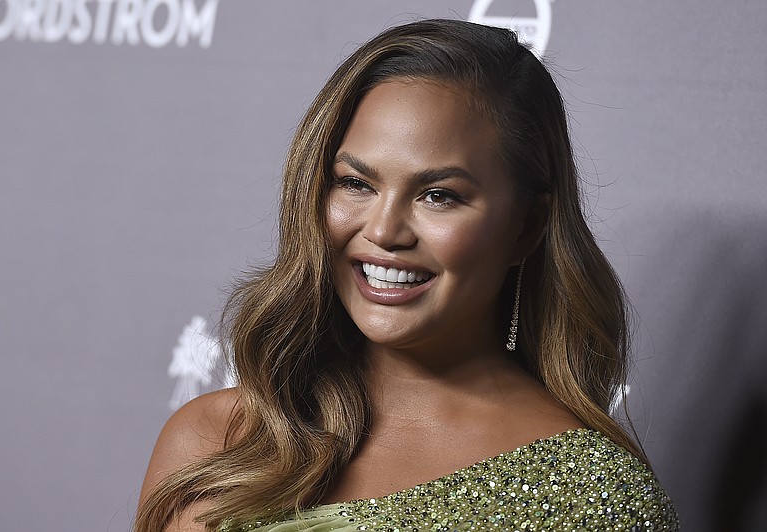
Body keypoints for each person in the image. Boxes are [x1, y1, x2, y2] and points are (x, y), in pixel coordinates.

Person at [134, 19, 678, 532]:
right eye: (356, 183)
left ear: (526, 226)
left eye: (438, 195)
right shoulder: (213, 440)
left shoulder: (591, 499)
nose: (385, 229)